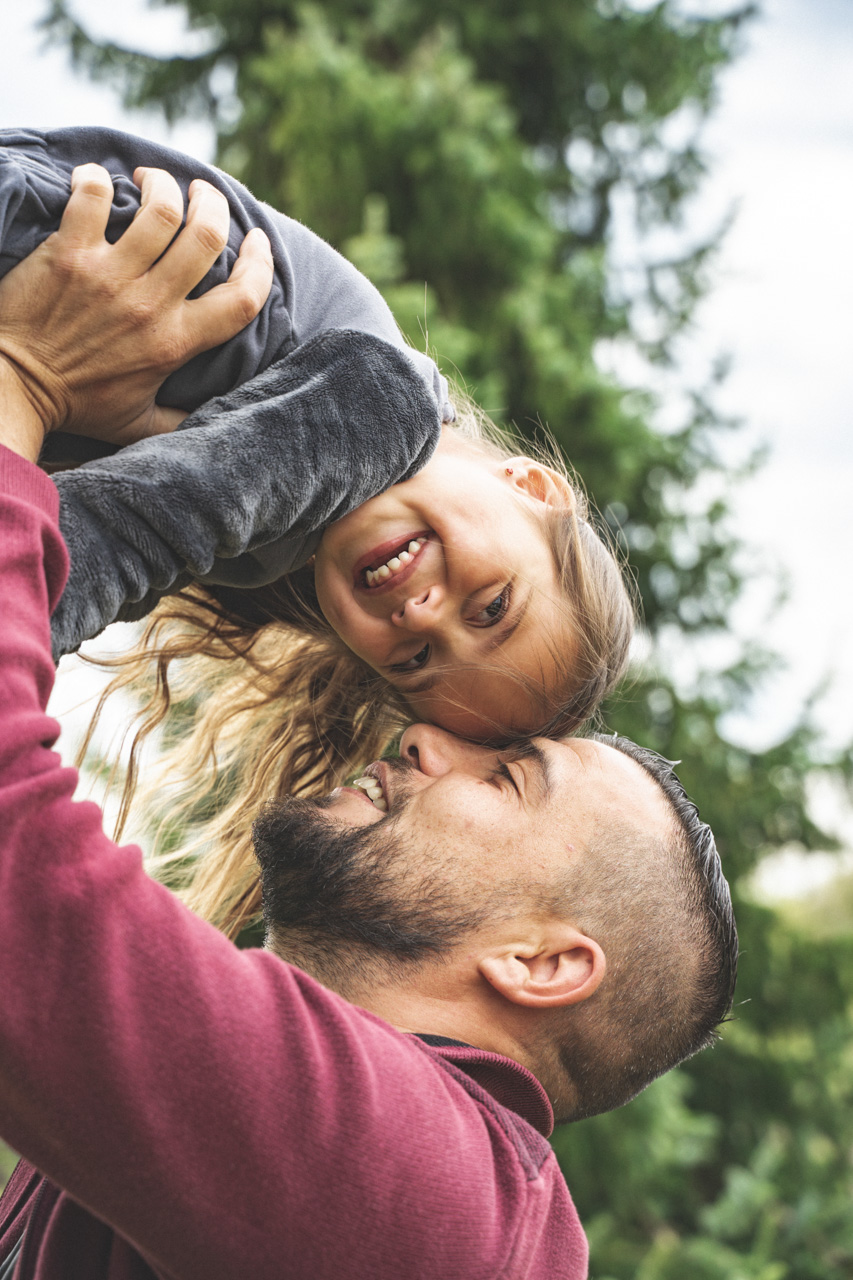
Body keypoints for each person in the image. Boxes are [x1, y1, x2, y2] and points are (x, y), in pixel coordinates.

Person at [0, 161, 737, 1280]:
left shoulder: (414, 1185)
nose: (417, 738)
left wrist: (25, 372)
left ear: (543, 961)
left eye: (504, 778)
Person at [1, 127, 633, 751]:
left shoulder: (264, 551)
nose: (422, 617)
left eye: (414, 660)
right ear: (532, 487)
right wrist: (18, 645)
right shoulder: (384, 406)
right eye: (492, 608)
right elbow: (120, 530)